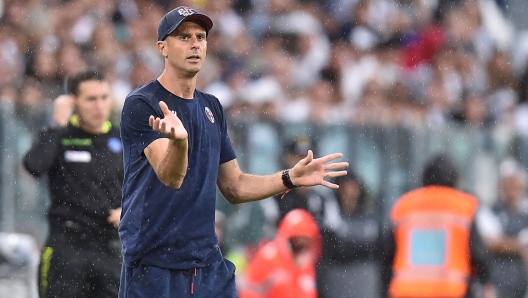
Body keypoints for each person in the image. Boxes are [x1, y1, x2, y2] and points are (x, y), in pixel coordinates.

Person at [118, 6, 348, 298]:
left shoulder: (212, 107)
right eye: (183, 37)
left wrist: (290, 178)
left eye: (200, 37)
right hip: (154, 263)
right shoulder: (143, 103)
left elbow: (234, 185)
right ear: (162, 47)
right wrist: (179, 143)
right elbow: (171, 177)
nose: (195, 44)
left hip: (206, 263)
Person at [23, 69, 123, 298]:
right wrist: (57, 123)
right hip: (66, 245)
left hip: (110, 247)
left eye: (104, 97)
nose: (99, 105)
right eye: (91, 99)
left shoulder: (123, 140)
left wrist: (130, 209)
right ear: (73, 101)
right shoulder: (60, 135)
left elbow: (147, 188)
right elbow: (34, 166)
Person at [381, 154, 496, 298]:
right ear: (454, 179)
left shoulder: (403, 205)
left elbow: (387, 254)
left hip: (407, 292)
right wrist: (487, 284)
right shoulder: (464, 206)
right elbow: (477, 254)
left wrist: (384, 288)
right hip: (451, 292)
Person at [316, 169, 382, 298]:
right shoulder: (330, 217)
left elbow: (379, 249)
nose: (351, 192)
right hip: (336, 285)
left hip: (366, 286)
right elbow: (332, 249)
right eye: (346, 186)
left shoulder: (369, 216)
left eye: (354, 186)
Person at [237, 209, 322, 298]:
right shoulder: (268, 257)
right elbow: (248, 292)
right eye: (297, 244)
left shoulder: (307, 266)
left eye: (305, 245)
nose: (301, 250)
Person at [476, 158, 528, 298]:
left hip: (521, 285)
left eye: (514, 183)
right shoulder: (490, 211)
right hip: (498, 285)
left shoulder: (524, 212)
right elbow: (491, 243)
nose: (511, 188)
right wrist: (519, 245)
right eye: (507, 183)